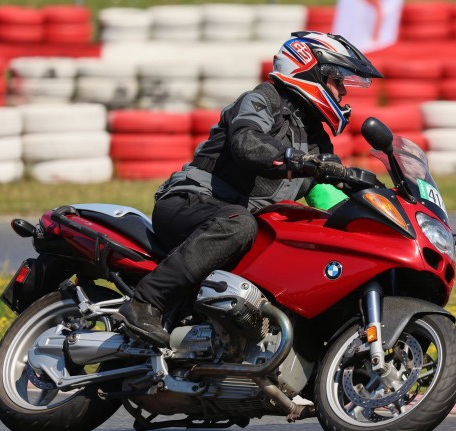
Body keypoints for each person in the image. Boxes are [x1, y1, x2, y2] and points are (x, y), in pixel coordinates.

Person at [118, 31, 383, 347]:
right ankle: (145, 302)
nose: (342, 92)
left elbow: (329, 196)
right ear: (310, 69)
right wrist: (294, 160)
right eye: (338, 81)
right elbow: (247, 143)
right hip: (191, 203)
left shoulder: (316, 140)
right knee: (240, 224)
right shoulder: (263, 100)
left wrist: (376, 211)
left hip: (237, 229)